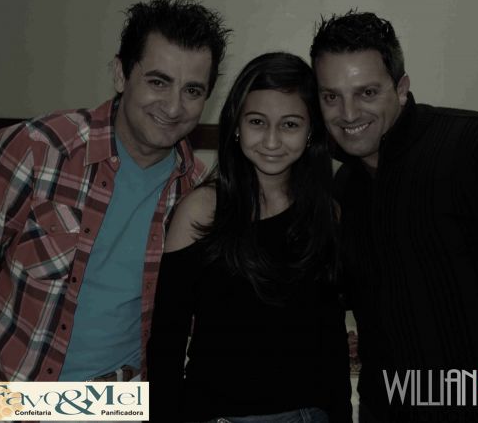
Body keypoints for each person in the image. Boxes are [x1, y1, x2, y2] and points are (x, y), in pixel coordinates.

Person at [310, 10, 478, 423]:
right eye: (331, 96)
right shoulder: (343, 187)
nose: (348, 113)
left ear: (401, 89)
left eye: (366, 92)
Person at [0, 0, 230, 384]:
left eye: (193, 91)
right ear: (120, 74)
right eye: (158, 82)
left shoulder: (198, 192)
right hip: (14, 394)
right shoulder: (36, 149)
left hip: (124, 399)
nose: (173, 106)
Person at [147, 52, 352, 422]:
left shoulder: (327, 213)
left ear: (311, 131)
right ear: (237, 125)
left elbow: (332, 340)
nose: (271, 140)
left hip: (309, 413)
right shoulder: (202, 211)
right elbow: (166, 343)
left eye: (290, 124)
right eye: (257, 121)